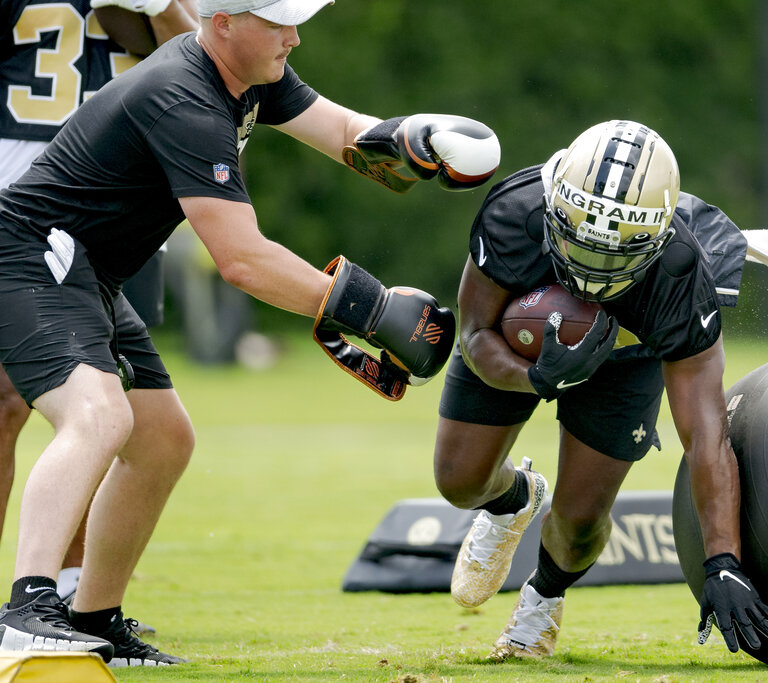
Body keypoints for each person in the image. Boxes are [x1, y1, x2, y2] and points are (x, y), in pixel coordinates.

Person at [0, 0, 499, 667]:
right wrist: (373, 311)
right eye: (276, 20)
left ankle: (95, 615)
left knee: (164, 439)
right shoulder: (185, 97)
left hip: (86, 268)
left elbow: (346, 131)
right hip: (31, 253)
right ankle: (28, 609)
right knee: (96, 415)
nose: (293, 35)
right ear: (223, 21)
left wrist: (411, 142)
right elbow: (242, 259)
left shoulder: (247, 70)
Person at [433, 120, 768, 660]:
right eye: (581, 245)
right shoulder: (513, 213)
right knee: (458, 482)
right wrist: (533, 377)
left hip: (625, 356)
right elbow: (476, 331)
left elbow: (706, 432)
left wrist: (723, 562)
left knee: (579, 524)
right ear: (556, 212)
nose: (592, 272)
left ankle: (542, 602)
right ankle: (514, 499)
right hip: (518, 337)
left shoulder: (680, 274)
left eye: (615, 254)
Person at [0, 0, 198, 616]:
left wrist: (161, 4)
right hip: (15, 180)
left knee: (118, 404)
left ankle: (73, 592)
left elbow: (208, 59)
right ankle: (31, 597)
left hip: (119, 202)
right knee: (6, 404)